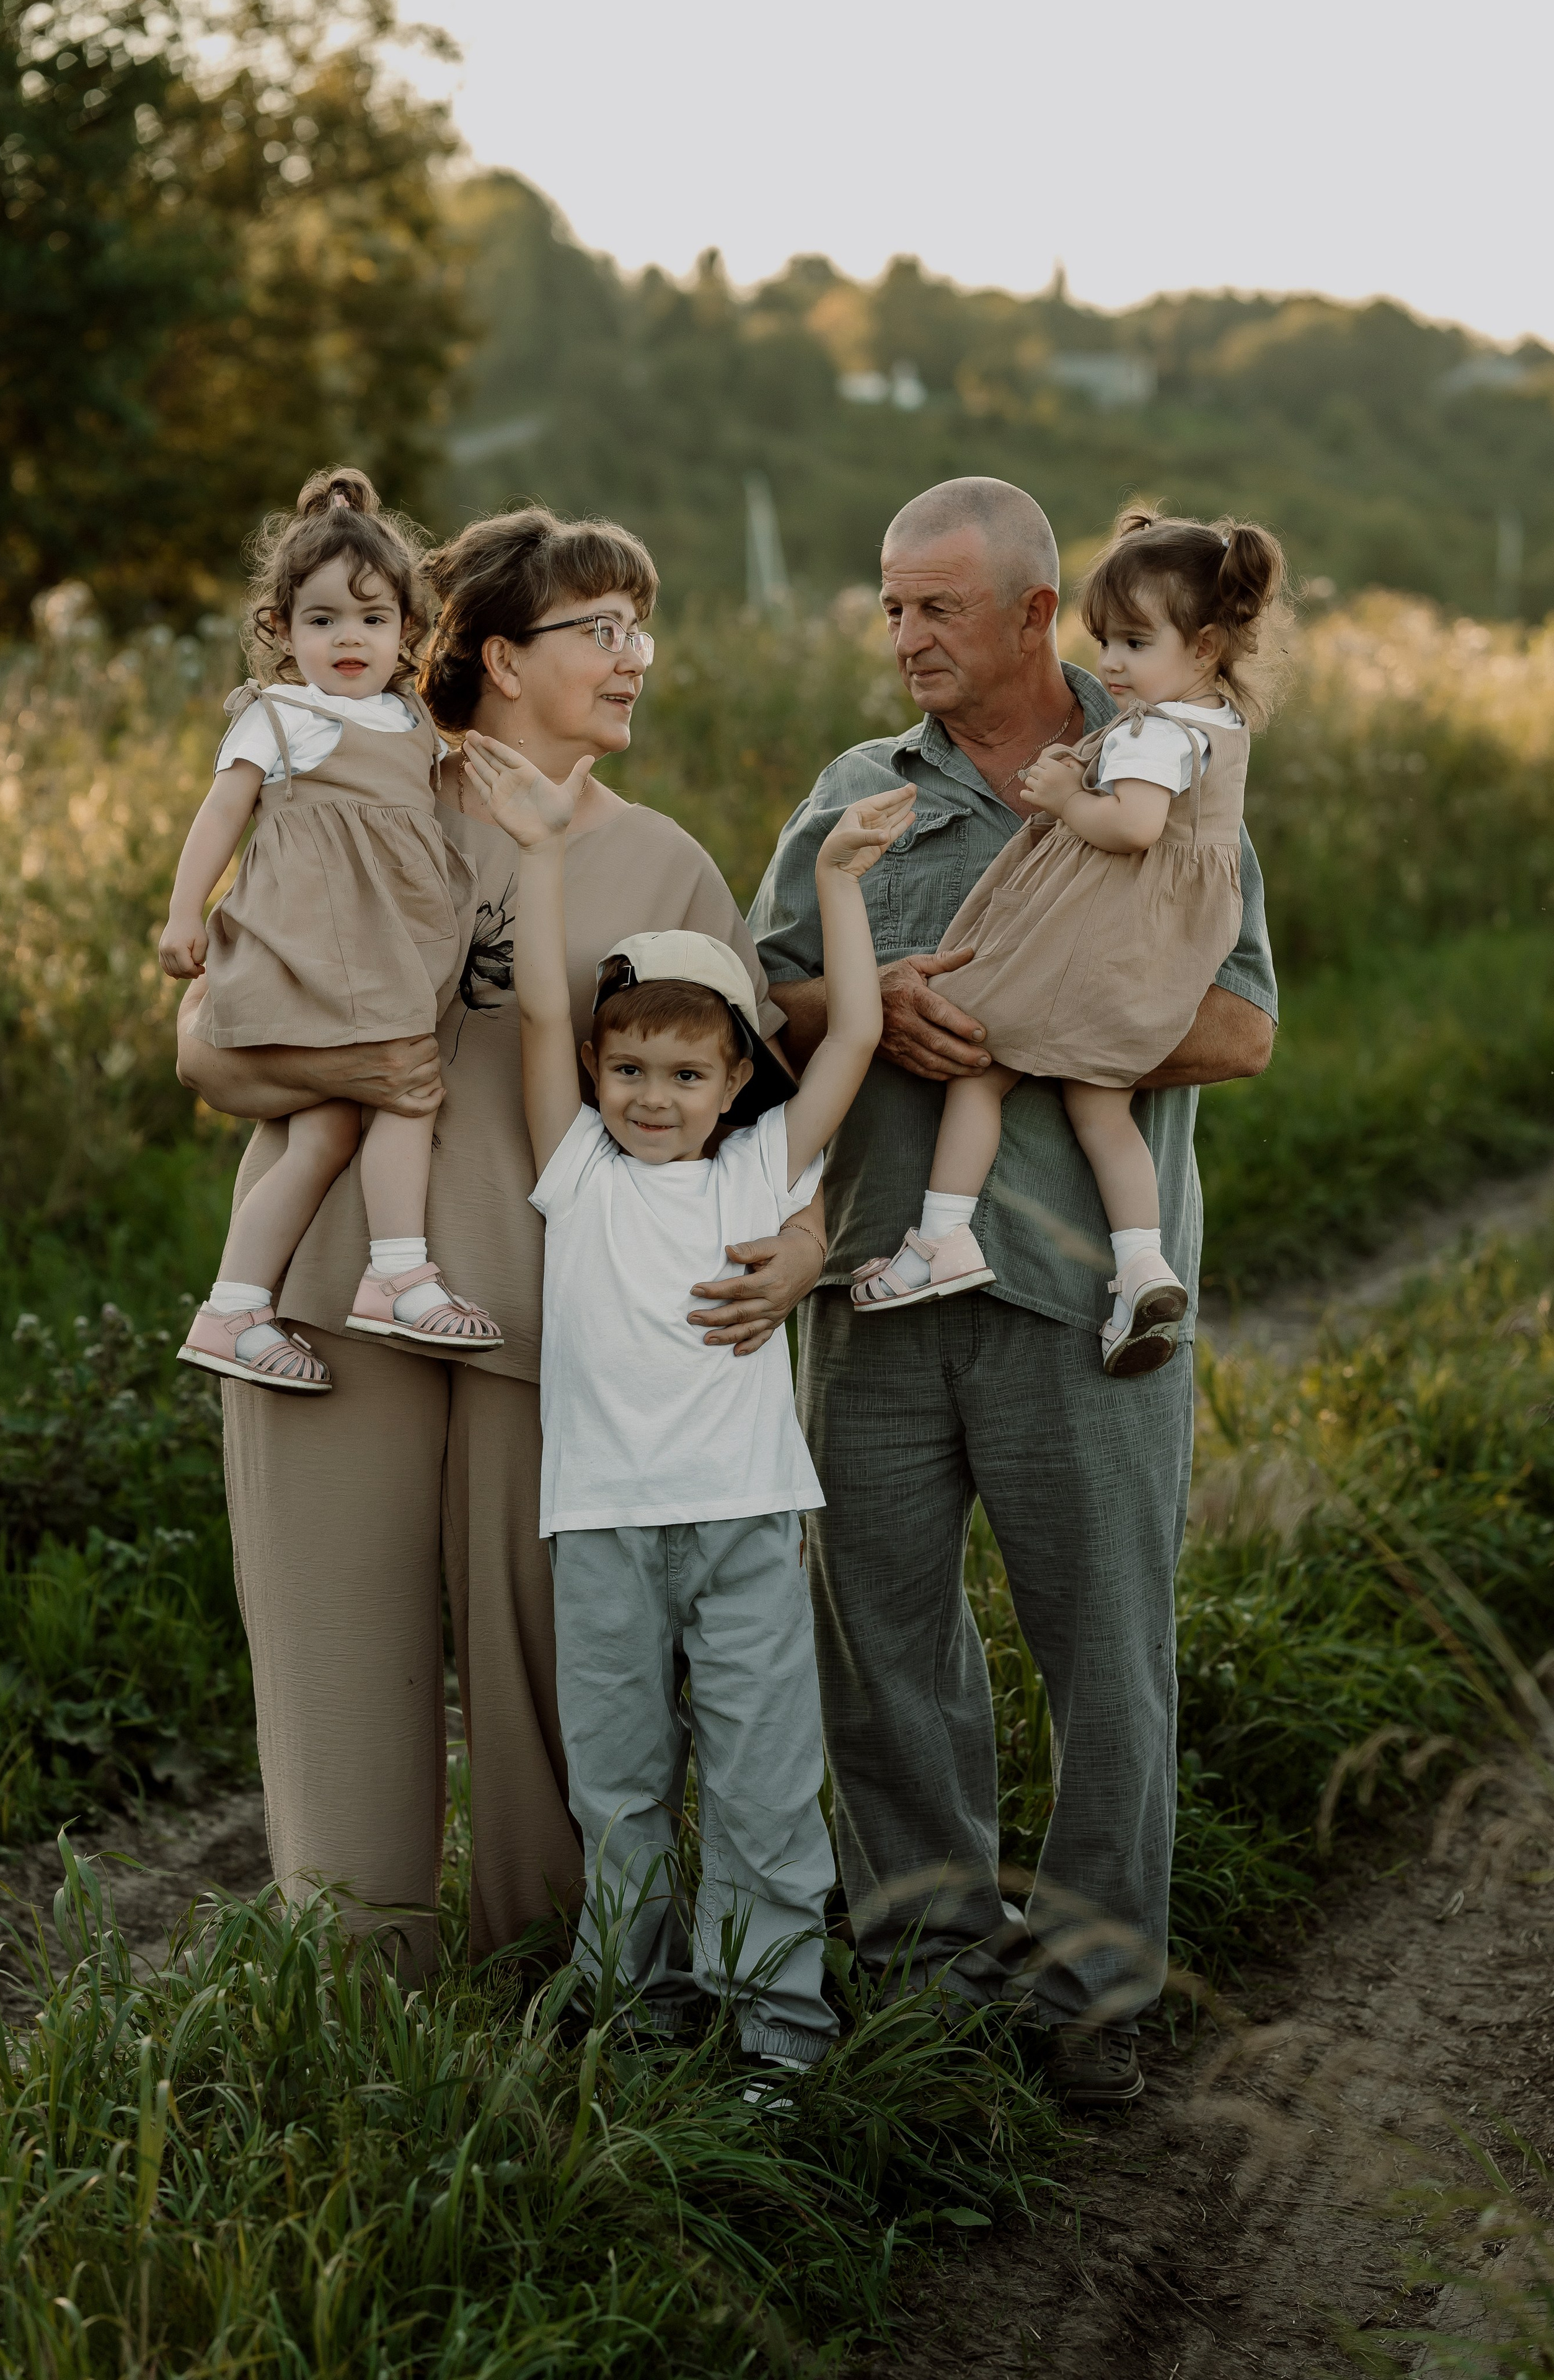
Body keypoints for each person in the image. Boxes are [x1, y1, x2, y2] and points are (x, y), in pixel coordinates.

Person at [176, 504, 826, 1981]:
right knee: (339, 1688)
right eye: (597, 629)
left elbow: (753, 1117)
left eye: (636, 627)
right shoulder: (348, 779)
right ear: (488, 655)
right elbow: (209, 1053)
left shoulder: (664, 864)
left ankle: (561, 2011)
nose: (632, 657)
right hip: (327, 1303)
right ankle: (362, 2022)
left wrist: (805, 1242)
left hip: (563, 1331)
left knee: (563, 1706)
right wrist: (363, 1074)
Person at [747, 477, 1277, 2108]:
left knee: (1106, 1655)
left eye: (935, 608)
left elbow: (1240, 1026)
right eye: (890, 606)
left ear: (1040, 616)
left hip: (1079, 1314)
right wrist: (869, 1005)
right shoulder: (858, 790)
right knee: (882, 1653)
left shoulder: (1161, 765)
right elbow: (769, 998)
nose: (901, 636)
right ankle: (929, 1978)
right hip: (871, 1294)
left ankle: (1095, 1995)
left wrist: (1041, 1018)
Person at [467, 713, 911, 2078]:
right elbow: (543, 1008)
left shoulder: (759, 1172)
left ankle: (775, 2035)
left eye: (681, 1072)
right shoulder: (579, 1171)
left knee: (766, 1787)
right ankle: (634, 2022)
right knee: (619, 1794)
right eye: (627, 1070)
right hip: (601, 1530)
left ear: (730, 1085)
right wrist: (538, 852)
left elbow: (854, 1042)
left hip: (743, 1530)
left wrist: (836, 884)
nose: (649, 1095)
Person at [849, 507, 1289, 1381]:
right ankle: (1141, 1266)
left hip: (1106, 935)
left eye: (1133, 643)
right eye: (1106, 642)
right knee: (1101, 1105)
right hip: (1157, 946)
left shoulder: (1157, 733)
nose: (1113, 665)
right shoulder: (1216, 725)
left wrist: (1060, 796)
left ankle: (942, 1237)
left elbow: (1129, 829)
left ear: (1203, 648)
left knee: (979, 1058)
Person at [164, 467, 499, 1391]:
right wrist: (181, 913)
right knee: (407, 1090)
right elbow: (220, 815)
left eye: (370, 619)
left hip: (381, 950)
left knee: (326, 1134)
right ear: (281, 631)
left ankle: (234, 1307)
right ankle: (398, 1271)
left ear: (405, 634)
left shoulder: (408, 720)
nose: (347, 638)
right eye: (321, 621)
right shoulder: (284, 718)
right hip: (316, 949)